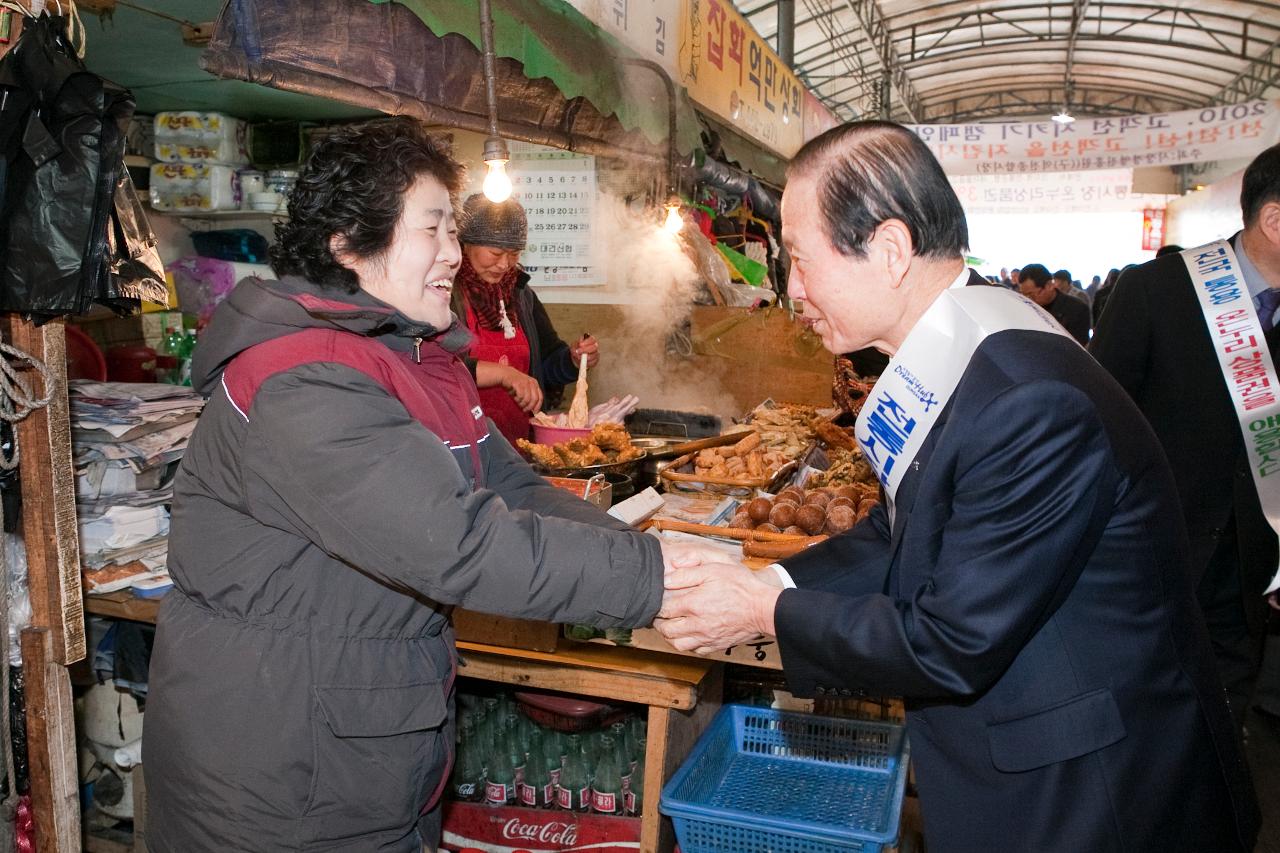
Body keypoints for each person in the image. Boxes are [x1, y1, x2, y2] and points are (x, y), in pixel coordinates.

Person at [655, 120, 1259, 852]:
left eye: (804, 263)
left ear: (890, 250)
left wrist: (763, 608)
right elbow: (896, 530)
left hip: (1096, 792)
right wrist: (769, 572)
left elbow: (951, 639)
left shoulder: (1026, 400)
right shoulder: (959, 343)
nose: (791, 291)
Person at [142, 119, 713, 853]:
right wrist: (662, 582)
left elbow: (516, 489)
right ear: (349, 242)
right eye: (435, 229)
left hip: (367, 745)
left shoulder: (416, 359)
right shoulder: (304, 379)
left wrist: (668, 561)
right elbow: (463, 544)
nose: (455, 253)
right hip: (280, 774)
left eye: (456, 228)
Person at [1090, 143, 1280, 734]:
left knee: (1219, 725)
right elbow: (1091, 425)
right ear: (1274, 221)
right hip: (1149, 558)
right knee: (1137, 722)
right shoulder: (1158, 291)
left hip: (1249, 574)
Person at [451, 194, 598, 444]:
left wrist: (573, 360)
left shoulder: (521, 296)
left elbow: (547, 364)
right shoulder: (445, 294)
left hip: (519, 444)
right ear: (466, 244)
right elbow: (440, 367)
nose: (504, 264)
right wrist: (504, 373)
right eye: (495, 252)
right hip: (463, 441)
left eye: (514, 253)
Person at [1017, 262, 1091, 344]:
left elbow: (1079, 346)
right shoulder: (1026, 307)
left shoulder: (1077, 309)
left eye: (1032, 294)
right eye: (1024, 295)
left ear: (1049, 285)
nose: (1029, 300)